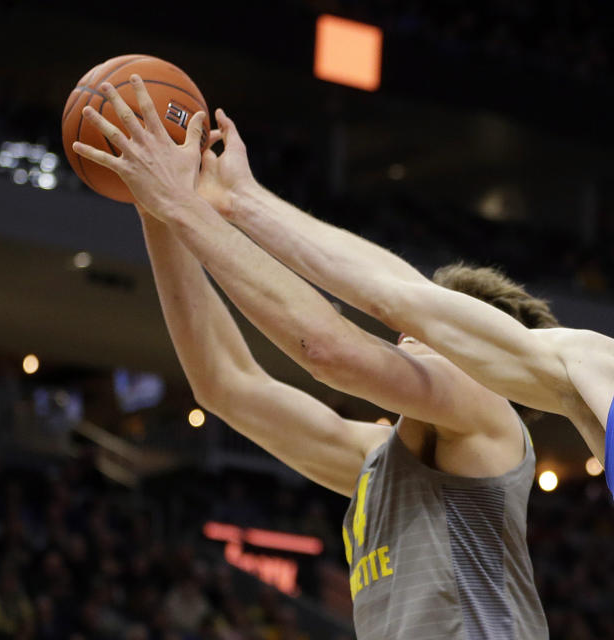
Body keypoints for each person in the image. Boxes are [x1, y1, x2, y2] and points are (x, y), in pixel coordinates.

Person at [71, 79, 614, 640]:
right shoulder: (605, 375)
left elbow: (334, 343)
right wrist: (241, 201)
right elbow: (401, 299)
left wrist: (191, 207)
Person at [72, 77, 552, 640]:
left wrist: (182, 206)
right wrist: (154, 206)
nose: (406, 334)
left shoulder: (486, 407)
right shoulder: (378, 461)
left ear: (482, 350)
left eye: (433, 327)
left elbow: (330, 348)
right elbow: (224, 383)